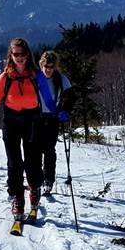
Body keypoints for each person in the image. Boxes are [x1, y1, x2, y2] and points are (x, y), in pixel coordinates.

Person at [0, 37, 42, 221]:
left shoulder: (36, 75)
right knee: (14, 163)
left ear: (28, 54)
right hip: (11, 122)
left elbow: (47, 98)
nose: (20, 58)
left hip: (32, 120)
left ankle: (34, 189)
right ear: (11, 55)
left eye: (23, 54)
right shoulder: (5, 77)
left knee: (32, 161)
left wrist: (60, 109)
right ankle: (17, 198)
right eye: (16, 54)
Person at [35, 50, 73, 195]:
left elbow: (70, 97)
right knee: (35, 150)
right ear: (41, 65)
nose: (49, 70)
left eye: (51, 67)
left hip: (52, 118)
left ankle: (48, 180)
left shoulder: (61, 80)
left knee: (49, 150)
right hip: (36, 118)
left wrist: (65, 110)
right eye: (46, 67)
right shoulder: (36, 78)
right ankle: (37, 179)